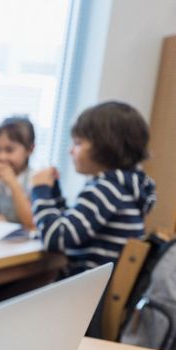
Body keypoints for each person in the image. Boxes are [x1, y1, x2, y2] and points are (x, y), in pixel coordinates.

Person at [32, 101, 156, 277]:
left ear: (105, 146)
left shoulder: (105, 191)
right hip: (94, 289)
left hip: (87, 293)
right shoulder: (122, 188)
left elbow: (55, 239)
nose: (70, 151)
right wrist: (54, 192)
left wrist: (40, 190)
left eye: (78, 143)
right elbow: (72, 225)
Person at [0, 116, 36, 229]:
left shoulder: (35, 180)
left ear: (30, 150)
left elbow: (31, 223)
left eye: (9, 150)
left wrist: (12, 182)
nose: (1, 157)